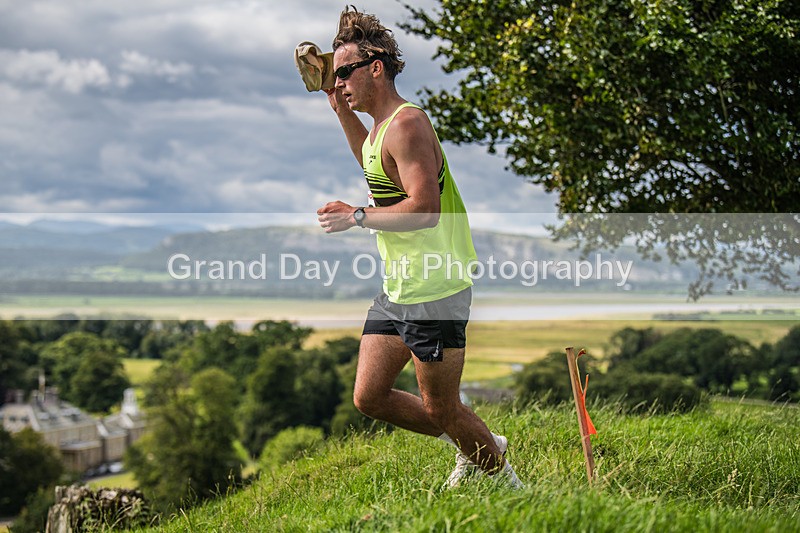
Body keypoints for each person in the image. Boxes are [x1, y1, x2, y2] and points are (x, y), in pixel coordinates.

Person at [316, 6, 522, 489]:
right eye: (334, 73)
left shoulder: (407, 124)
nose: (339, 79)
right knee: (369, 396)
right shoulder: (380, 132)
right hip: (402, 285)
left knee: (441, 408)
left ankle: (506, 483)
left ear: (376, 69)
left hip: (436, 287)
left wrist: (358, 216)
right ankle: (479, 440)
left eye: (344, 71)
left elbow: (425, 208)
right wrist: (342, 110)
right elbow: (371, 160)